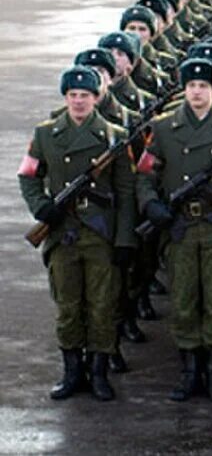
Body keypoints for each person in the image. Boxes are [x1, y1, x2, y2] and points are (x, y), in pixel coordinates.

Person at [135, 57, 212, 403]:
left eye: (203, 86)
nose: (197, 92)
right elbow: (145, 175)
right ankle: (190, 370)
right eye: (191, 86)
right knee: (184, 300)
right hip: (180, 226)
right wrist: (151, 205)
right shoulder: (163, 129)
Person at [18, 66, 136, 402]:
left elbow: (126, 193)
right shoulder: (45, 134)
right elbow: (28, 175)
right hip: (62, 233)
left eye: (85, 95)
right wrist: (42, 207)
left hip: (100, 234)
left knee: (102, 306)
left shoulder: (114, 137)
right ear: (65, 98)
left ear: (97, 98)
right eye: (73, 95)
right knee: (68, 305)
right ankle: (72, 372)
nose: (79, 101)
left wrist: (125, 239)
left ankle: (98, 372)